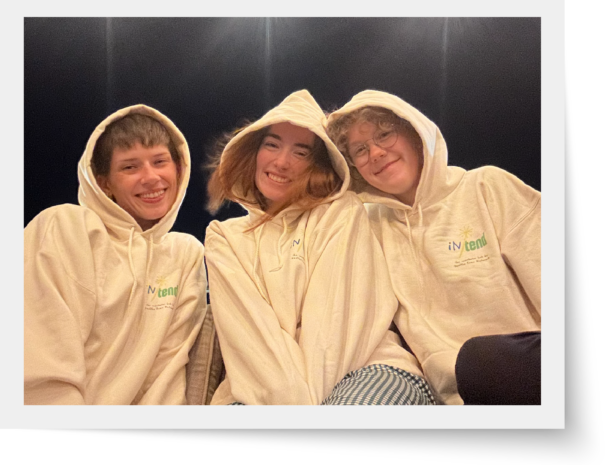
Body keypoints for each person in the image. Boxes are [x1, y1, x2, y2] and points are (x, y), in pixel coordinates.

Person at [204, 89, 434, 405]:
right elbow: (248, 337)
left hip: (369, 368)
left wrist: (304, 421)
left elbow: (334, 329)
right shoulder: (224, 236)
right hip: (258, 390)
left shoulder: (341, 212)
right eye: (271, 145)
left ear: (319, 166)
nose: (281, 162)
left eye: (301, 153)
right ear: (253, 152)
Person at [326, 90, 541, 405]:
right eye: (360, 149)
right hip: (457, 396)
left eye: (384, 135)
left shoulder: (487, 187)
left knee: (480, 359)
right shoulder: (367, 227)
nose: (376, 153)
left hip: (534, 367)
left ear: (415, 134)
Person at [24, 105, 207, 404]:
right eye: (130, 167)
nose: (150, 177)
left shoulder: (185, 254)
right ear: (104, 183)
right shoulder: (66, 227)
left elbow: (168, 375)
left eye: (160, 161)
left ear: (179, 169)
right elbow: (39, 365)